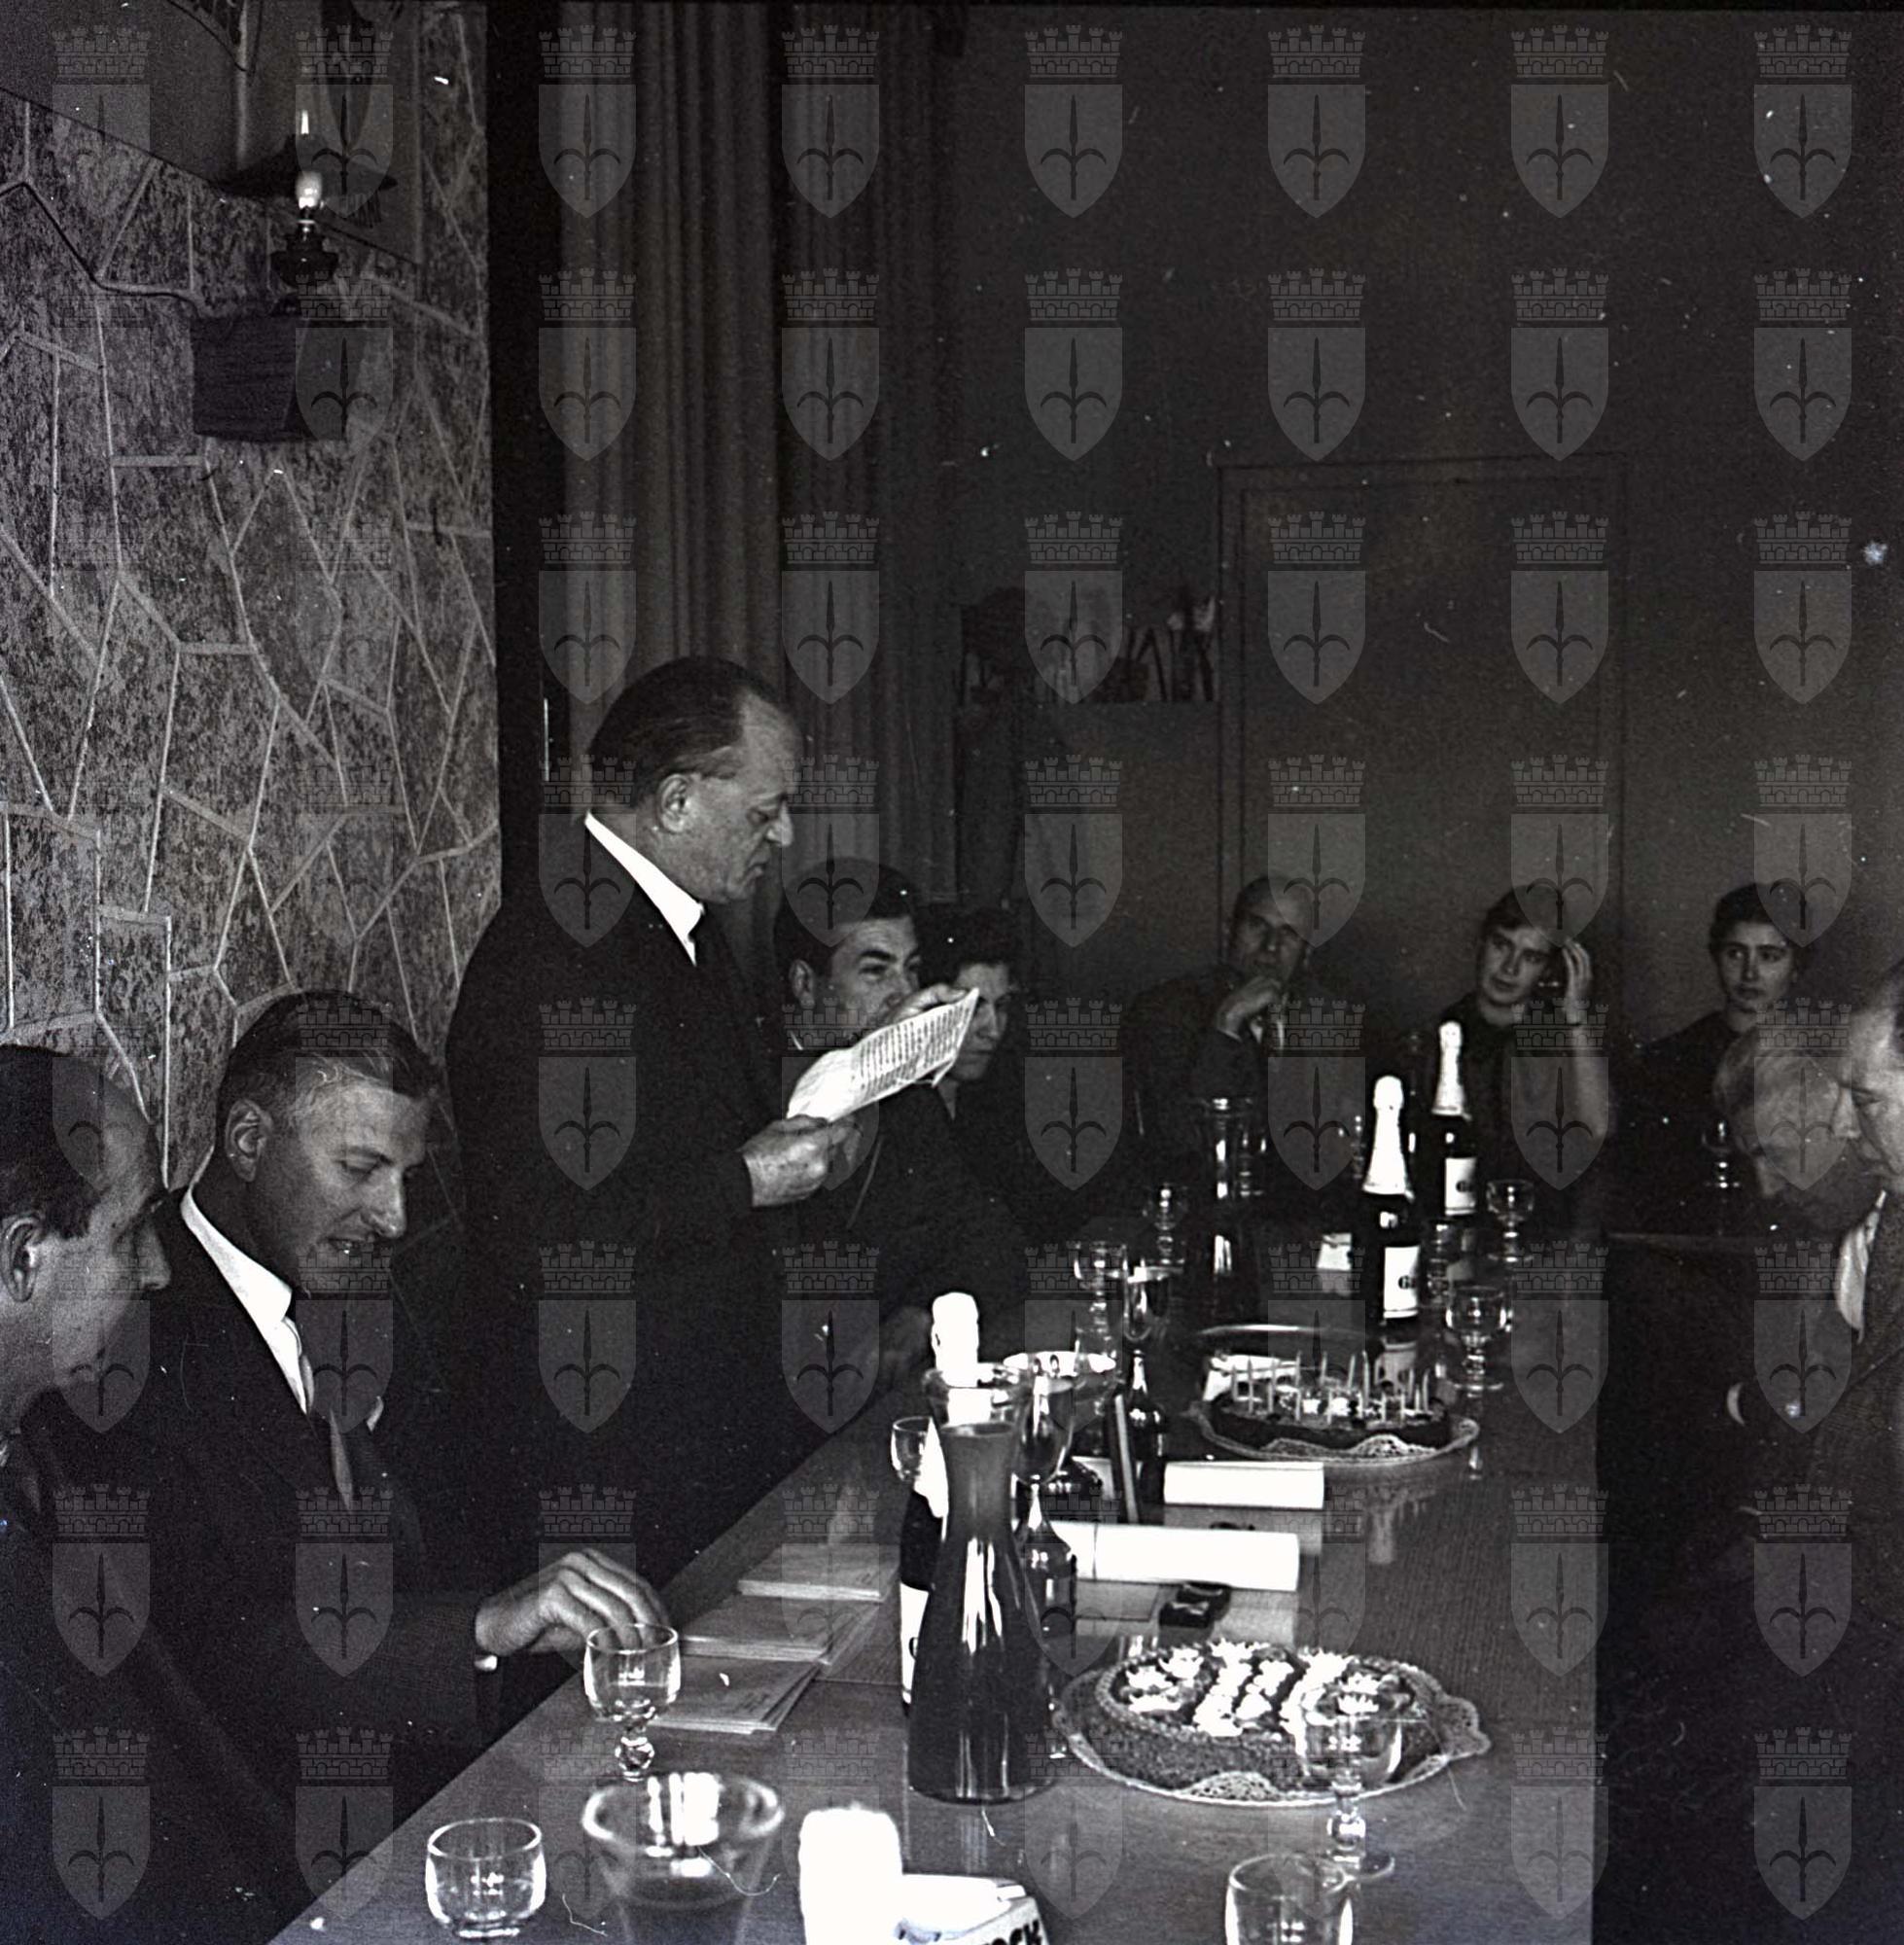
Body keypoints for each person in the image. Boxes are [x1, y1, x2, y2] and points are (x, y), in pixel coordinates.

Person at [56, 996, 664, 1928]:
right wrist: (478, 1630)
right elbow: (209, 1655)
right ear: (248, 1140)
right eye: (361, 1168)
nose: (395, 1215)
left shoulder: (353, 1278)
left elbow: (455, 1521)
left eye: (405, 1176)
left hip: (446, 1795)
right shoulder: (119, 1339)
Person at [445, 658, 854, 1586]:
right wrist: (747, 1179)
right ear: (674, 802)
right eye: (766, 811)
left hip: (692, 1435)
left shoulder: (675, 924)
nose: (784, 836)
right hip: (615, 1465)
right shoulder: (555, 956)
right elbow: (542, 1230)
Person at [779, 875, 1031, 1361]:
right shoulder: (751, 1093)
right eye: (876, 971)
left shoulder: (911, 1096)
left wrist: (923, 1312)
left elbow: (989, 1238)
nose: (904, 993)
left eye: (911, 970)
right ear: (806, 985)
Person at [1121, 874, 1322, 1181]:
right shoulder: (1165, 1008)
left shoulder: (1325, 1016)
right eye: (1257, 926)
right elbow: (1179, 1138)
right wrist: (1227, 1021)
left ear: (1306, 952)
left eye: (1289, 934)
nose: (1271, 946)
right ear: (1229, 930)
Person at [1621, 885, 1804, 1198]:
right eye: (1735, 953)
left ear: (1796, 966)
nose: (1749, 973)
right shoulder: (1667, 1060)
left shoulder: (1821, 1061)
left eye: (1769, 956)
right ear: (1715, 957)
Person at [1423, 889, 1611, 1190]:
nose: (1510, 968)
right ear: (1481, 943)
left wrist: (1576, 1015)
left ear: (1549, 969)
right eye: (1501, 945)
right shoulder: (1441, 1032)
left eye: (1531, 957)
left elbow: (1599, 1128)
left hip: (1543, 1208)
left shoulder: (1563, 1036)